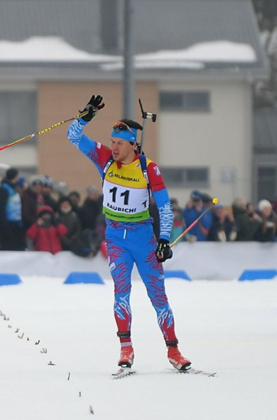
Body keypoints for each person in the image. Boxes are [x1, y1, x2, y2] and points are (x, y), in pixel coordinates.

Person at [67, 95, 190, 371]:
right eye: (112, 142)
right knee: (121, 291)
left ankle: (174, 350)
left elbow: (165, 207)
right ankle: (126, 348)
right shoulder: (104, 159)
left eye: (119, 143)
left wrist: (164, 239)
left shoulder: (148, 168)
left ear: (133, 144)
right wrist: (86, 116)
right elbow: (73, 136)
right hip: (115, 238)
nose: (113, 147)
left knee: (158, 296)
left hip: (142, 238)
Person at [0, 167, 25, 251]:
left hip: (16, 223)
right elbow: (1, 208)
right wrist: (4, 224)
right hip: (8, 224)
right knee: (8, 247)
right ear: (15, 176)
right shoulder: (4, 189)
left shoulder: (15, 188)